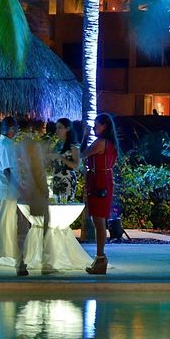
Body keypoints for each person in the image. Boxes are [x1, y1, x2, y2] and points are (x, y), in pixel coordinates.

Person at [81, 113, 119, 274]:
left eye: (97, 124)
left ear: (105, 126)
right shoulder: (110, 143)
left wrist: (85, 136)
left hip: (99, 181)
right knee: (99, 220)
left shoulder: (101, 142)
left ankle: (100, 257)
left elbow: (82, 155)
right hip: (104, 179)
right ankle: (99, 258)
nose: (95, 127)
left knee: (99, 221)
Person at [0, 117, 27, 275]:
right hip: (7, 189)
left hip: (5, 188)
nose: (18, 130)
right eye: (17, 128)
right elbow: (7, 170)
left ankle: (6, 250)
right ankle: (6, 251)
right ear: (11, 129)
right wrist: (19, 187)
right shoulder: (5, 145)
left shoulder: (3, 144)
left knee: (7, 220)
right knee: (7, 221)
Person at [51, 118, 80, 202]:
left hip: (67, 180)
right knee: (56, 205)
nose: (57, 130)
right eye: (56, 128)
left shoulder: (74, 146)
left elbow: (76, 166)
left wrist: (61, 158)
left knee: (66, 205)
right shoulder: (58, 145)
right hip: (57, 179)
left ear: (68, 129)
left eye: (60, 127)